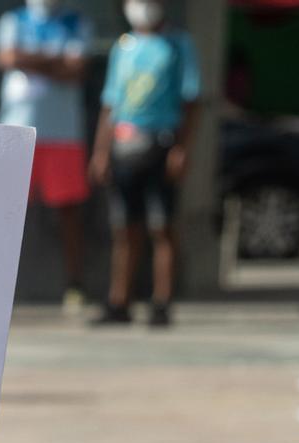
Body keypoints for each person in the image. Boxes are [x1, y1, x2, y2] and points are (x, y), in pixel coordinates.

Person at [90, 1, 201, 327]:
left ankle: (161, 301)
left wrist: (182, 148)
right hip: (125, 148)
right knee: (125, 228)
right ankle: (119, 301)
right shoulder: (123, 47)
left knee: (162, 227)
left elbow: (192, 99)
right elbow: (110, 105)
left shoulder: (180, 45)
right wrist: (101, 151)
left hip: (162, 144)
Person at [0, 1, 94, 313]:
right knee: (5, 213)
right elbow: (7, 58)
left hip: (63, 133)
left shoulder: (77, 23)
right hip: (16, 132)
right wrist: (55, 62)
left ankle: (75, 286)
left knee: (69, 214)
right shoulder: (12, 20)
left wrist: (29, 60)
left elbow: (76, 70)